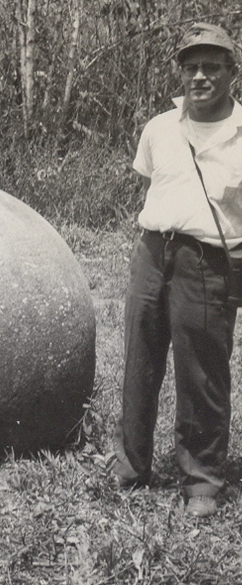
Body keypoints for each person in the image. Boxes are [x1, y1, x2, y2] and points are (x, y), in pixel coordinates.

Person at [112, 22, 242, 518]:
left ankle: (203, 479)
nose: (200, 76)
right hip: (151, 251)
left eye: (212, 66)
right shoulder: (159, 129)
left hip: (208, 261)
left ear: (232, 71)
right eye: (191, 67)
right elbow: (151, 182)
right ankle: (131, 462)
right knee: (139, 356)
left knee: (202, 370)